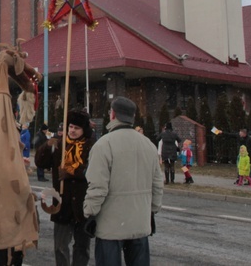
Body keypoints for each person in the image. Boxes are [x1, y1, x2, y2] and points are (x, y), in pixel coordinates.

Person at [84, 97, 163, 266]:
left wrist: (89, 213)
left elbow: (97, 186)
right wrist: (152, 210)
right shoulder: (148, 144)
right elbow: (157, 183)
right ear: (132, 117)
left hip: (110, 225)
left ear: (113, 115)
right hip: (139, 223)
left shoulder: (104, 145)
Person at [35, 112, 94, 266]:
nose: (72, 130)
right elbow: (40, 162)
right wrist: (46, 146)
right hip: (62, 204)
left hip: (83, 205)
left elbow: (94, 171)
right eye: (71, 127)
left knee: (82, 248)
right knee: (60, 246)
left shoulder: (91, 145)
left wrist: (73, 173)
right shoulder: (60, 144)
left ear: (84, 130)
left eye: (77, 128)